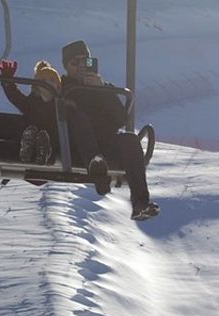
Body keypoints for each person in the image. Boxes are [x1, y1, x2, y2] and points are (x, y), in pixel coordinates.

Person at [60, 40, 159, 221]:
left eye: (85, 61)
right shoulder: (62, 87)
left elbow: (121, 118)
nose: (81, 66)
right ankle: (96, 166)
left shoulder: (102, 87)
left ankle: (140, 203)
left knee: (129, 139)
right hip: (75, 143)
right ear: (67, 67)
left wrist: (102, 90)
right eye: (75, 63)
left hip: (105, 140)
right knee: (80, 118)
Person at [0, 58, 60, 165]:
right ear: (38, 86)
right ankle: (28, 145)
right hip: (32, 134)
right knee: (31, 128)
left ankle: (44, 150)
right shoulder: (31, 103)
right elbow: (16, 97)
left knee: (49, 132)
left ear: (58, 86)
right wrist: (8, 82)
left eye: (52, 80)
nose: (48, 83)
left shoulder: (60, 104)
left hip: (52, 140)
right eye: (44, 81)